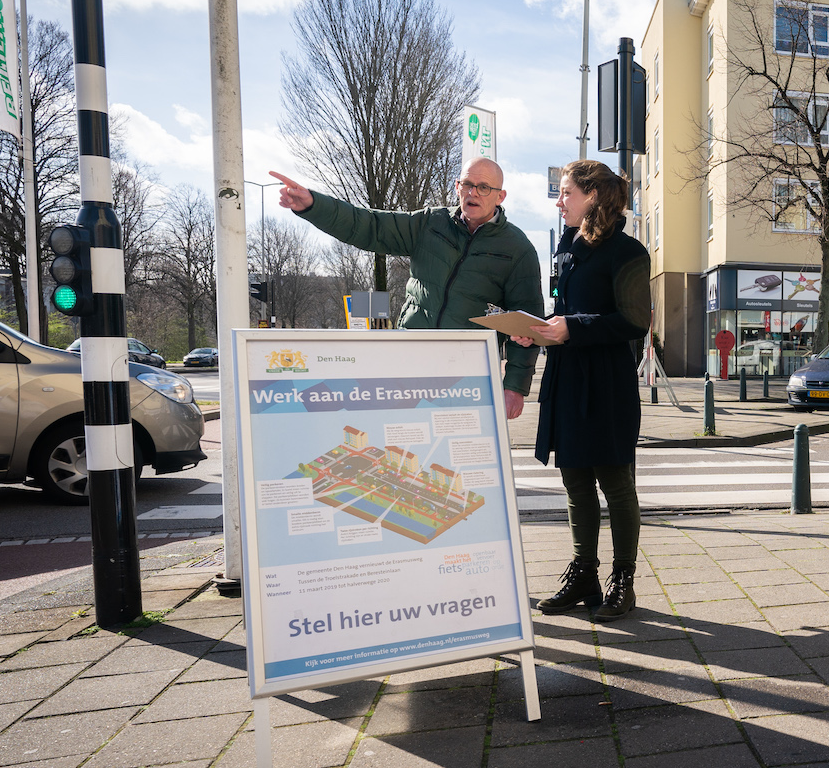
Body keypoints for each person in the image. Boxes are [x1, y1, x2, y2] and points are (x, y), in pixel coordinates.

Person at [269, 160, 543, 418]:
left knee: (459, 453)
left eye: (483, 187)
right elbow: (369, 225)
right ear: (457, 187)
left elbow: (526, 325)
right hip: (410, 362)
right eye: (467, 184)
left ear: (500, 196)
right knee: (403, 444)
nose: (473, 193)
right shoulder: (430, 223)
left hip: (466, 374)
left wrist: (515, 387)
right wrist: (313, 206)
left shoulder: (517, 250)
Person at [517, 160, 652, 621]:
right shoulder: (567, 247)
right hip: (568, 376)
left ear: (593, 195)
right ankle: (585, 575)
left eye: (566, 192)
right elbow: (563, 311)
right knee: (574, 482)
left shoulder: (629, 251)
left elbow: (635, 321)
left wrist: (569, 327)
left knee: (615, 484)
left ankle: (623, 580)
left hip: (607, 382)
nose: (559, 201)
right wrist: (535, 330)